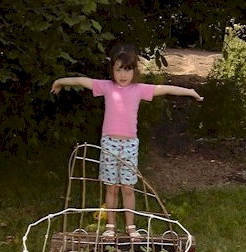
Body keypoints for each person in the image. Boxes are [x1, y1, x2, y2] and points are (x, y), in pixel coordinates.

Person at [51, 43, 203, 240]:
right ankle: (111, 225)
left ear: (134, 70)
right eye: (118, 69)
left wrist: (190, 91)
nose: (123, 75)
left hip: (130, 145)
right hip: (109, 144)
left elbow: (164, 88)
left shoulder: (139, 89)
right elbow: (82, 80)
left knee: (128, 188)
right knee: (111, 188)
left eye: (127, 70)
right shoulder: (106, 87)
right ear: (112, 69)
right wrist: (60, 81)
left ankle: (131, 226)